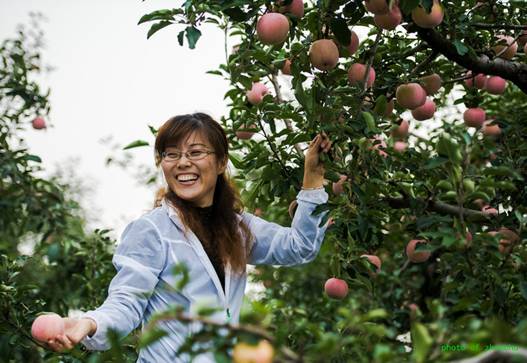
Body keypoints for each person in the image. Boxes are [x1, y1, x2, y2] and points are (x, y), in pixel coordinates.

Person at [37, 112, 332, 362]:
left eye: (195, 153)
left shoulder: (238, 228)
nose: (182, 163)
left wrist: (313, 180)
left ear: (219, 163)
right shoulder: (152, 231)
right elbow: (126, 302)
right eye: (171, 154)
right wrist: (88, 322)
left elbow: (299, 247)